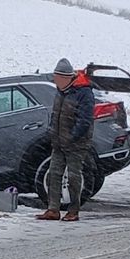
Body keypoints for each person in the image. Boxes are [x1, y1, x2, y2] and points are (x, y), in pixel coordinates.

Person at [37, 58, 95, 222]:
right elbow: (56, 115)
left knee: (74, 178)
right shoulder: (60, 91)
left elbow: (85, 120)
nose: (55, 81)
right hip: (58, 143)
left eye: (57, 77)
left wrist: (72, 137)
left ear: (67, 77)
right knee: (53, 175)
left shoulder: (84, 93)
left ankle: (73, 210)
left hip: (76, 144)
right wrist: (52, 133)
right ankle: (53, 209)